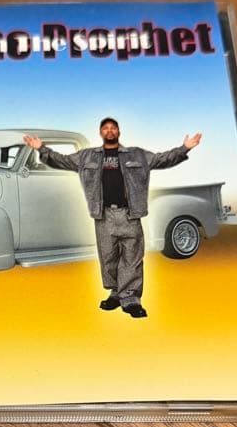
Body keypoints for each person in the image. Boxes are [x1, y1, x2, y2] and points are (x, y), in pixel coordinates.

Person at [24, 118, 202, 317]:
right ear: (101, 133)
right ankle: (116, 293)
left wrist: (185, 148)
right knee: (108, 258)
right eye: (106, 128)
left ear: (119, 132)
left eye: (113, 128)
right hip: (104, 215)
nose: (110, 131)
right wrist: (41, 148)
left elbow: (163, 159)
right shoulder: (87, 156)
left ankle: (131, 299)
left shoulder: (137, 154)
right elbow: (62, 160)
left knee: (132, 259)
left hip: (130, 214)